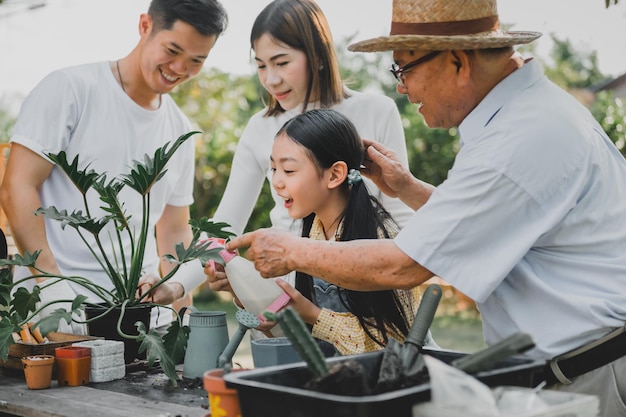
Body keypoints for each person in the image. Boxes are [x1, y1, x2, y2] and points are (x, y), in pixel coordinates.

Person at [225, 0, 626, 414]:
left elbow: (402, 267)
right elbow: (487, 222)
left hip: (590, 372)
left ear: (457, 61)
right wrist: (408, 188)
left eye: (404, 68)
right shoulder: (521, 117)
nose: (401, 87)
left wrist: (290, 251)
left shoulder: (519, 138)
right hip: (573, 367)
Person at [0, 0, 228, 334]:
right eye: (173, 50)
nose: (180, 68)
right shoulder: (71, 90)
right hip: (57, 313)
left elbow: (173, 229)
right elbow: (17, 186)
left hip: (143, 319)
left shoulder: (180, 129)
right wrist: (51, 281)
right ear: (145, 26)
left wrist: (183, 315)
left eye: (196, 61)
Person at [204, 0, 414, 323]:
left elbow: (400, 218)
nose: (271, 80)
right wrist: (180, 281)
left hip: (366, 294)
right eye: (261, 65)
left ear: (317, 56)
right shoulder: (260, 127)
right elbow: (224, 225)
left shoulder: (376, 111)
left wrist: (398, 287)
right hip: (287, 300)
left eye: (281, 62)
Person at [268, 108, 420, 355]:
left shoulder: (383, 237)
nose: (276, 181)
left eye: (289, 170)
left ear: (335, 174)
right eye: (274, 169)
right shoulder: (313, 233)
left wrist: (311, 314)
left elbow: (391, 345)